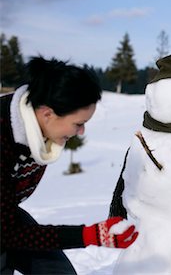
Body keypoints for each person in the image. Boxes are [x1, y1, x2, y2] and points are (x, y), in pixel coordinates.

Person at [0, 57, 138, 274]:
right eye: (78, 124)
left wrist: (93, 234)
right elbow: (7, 234)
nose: (81, 132)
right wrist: (89, 235)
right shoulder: (4, 138)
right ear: (48, 114)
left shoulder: (37, 131)